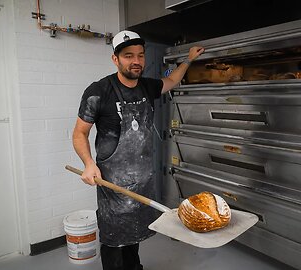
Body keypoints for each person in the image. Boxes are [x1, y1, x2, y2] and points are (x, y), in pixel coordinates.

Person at [72, 30, 204, 270]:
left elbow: (172, 81)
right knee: (114, 239)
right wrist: (89, 164)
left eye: (140, 55)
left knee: (133, 236)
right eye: (128, 55)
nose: (136, 61)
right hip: (113, 184)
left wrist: (188, 60)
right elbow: (80, 133)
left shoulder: (147, 87)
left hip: (142, 181)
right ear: (116, 59)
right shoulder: (98, 92)